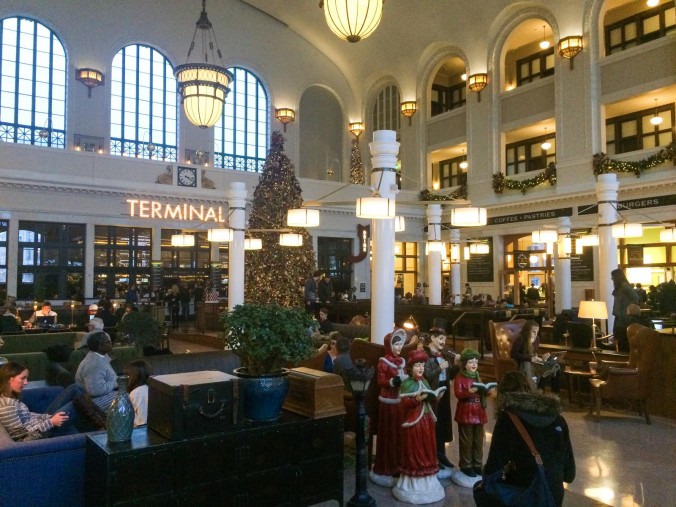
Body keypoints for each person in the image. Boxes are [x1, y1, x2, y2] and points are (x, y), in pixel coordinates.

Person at [479, 371, 575, 507]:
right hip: (552, 496)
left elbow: (494, 467)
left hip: (522, 494)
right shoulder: (558, 419)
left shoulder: (508, 418)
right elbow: (570, 474)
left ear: (502, 395)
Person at [392, 349, 446, 504]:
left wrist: (436, 397)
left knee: (427, 445)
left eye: (422, 365)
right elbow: (404, 404)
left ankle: (427, 474)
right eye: (417, 365)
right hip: (414, 421)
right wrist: (416, 399)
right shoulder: (407, 383)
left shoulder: (425, 381)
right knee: (415, 447)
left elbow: (429, 398)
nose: (421, 368)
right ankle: (414, 476)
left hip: (426, 419)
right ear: (411, 368)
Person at [0, 361, 84, 441]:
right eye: (22, 378)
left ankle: (90, 425)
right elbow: (23, 437)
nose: (26, 382)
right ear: (9, 379)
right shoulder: (7, 406)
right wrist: (51, 422)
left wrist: (49, 418)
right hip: (44, 434)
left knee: (75, 388)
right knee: (76, 404)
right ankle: (91, 429)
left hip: (44, 424)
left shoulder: (11, 398)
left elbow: (30, 416)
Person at [370, 328, 407, 487]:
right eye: (396, 344)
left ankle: (397, 464)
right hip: (388, 402)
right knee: (388, 433)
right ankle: (386, 465)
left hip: (400, 402)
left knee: (399, 434)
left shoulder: (402, 361)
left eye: (400, 344)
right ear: (389, 345)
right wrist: (393, 381)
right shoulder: (384, 362)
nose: (399, 347)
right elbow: (381, 380)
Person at [423, 321, 459, 470]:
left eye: (445, 339)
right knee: (433, 424)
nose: (443, 342)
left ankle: (441, 454)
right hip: (433, 393)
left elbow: (450, 375)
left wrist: (456, 366)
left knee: (443, 424)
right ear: (432, 338)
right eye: (440, 339)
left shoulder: (443, 355)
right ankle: (432, 456)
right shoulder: (426, 355)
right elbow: (426, 375)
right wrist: (440, 367)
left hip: (444, 391)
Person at [454, 348, 494, 478]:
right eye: (471, 362)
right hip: (466, 410)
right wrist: (468, 392)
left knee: (478, 440)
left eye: (476, 362)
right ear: (464, 364)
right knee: (467, 440)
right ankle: (466, 465)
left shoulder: (477, 376)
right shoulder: (460, 377)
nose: (474, 364)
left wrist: (487, 391)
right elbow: (458, 394)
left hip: (478, 410)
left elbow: (481, 390)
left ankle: (477, 464)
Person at [511, 319, 561, 394]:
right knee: (545, 369)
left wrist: (542, 357)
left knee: (556, 367)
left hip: (534, 361)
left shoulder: (536, 338)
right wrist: (530, 358)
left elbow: (534, 353)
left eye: (537, 332)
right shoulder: (521, 339)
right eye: (533, 332)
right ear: (527, 331)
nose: (535, 334)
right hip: (525, 363)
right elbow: (513, 354)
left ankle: (555, 394)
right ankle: (539, 391)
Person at [75, 331, 118, 411]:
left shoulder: (98, 356)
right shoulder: (94, 364)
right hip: (95, 401)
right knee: (128, 397)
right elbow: (95, 390)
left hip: (103, 395)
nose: (111, 343)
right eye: (108, 342)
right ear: (100, 346)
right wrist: (116, 383)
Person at [611, 268, 640, 352]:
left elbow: (636, 297)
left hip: (622, 316)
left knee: (621, 336)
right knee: (619, 336)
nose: (611, 278)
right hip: (619, 315)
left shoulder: (624, 286)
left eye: (612, 276)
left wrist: (627, 308)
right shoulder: (621, 286)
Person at [124, 360, 151, 427]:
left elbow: (143, 422)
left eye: (127, 376)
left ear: (133, 377)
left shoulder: (138, 393)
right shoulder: (145, 388)